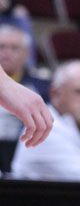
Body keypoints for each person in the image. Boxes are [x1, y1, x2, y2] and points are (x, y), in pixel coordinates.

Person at [0, 24, 49, 171]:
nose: (6, 53)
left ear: (26, 54)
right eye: (1, 46)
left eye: (14, 48)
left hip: (26, 149)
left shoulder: (43, 86)